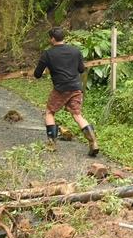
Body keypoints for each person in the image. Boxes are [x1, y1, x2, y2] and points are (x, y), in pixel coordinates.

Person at [34, 27, 99, 157]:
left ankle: (52, 143)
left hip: (61, 89)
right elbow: (81, 69)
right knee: (77, 114)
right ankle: (93, 141)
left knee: (49, 112)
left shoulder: (48, 54)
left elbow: (37, 74)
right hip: (76, 87)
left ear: (52, 39)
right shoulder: (75, 51)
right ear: (63, 38)